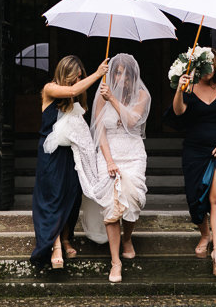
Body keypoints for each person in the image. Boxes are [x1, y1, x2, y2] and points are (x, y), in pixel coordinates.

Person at [163, 52, 216, 277]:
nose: (208, 68)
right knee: (196, 199)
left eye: (211, 63)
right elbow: (178, 112)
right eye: (203, 64)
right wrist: (180, 90)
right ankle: (205, 234)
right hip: (194, 151)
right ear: (196, 66)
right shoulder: (189, 87)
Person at [30, 54, 109, 269]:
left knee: (73, 196)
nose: (77, 82)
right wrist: (98, 73)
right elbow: (73, 90)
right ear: (65, 74)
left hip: (70, 154)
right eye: (75, 77)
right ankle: (55, 245)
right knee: (54, 196)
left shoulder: (75, 100)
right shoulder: (50, 89)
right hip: (51, 154)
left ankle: (66, 238)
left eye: (80, 77)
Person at [80, 53, 150, 283]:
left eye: (123, 73)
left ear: (131, 77)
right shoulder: (102, 94)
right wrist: (109, 161)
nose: (118, 77)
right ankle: (115, 262)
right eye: (115, 72)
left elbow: (132, 122)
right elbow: (100, 132)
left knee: (132, 200)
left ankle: (127, 238)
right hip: (109, 154)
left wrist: (113, 99)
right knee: (112, 204)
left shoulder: (142, 95)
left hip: (133, 154)